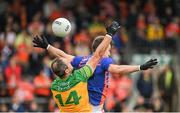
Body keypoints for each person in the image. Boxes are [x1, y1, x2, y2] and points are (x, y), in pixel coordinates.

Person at [33, 23, 158, 112]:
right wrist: (140, 67)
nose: (109, 52)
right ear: (103, 49)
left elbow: (64, 55)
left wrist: (48, 46)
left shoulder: (81, 61)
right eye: (108, 49)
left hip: (81, 105)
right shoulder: (103, 61)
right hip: (92, 108)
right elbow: (118, 69)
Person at [33, 21, 120, 112]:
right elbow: (97, 56)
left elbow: (63, 56)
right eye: (68, 63)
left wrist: (48, 47)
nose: (69, 62)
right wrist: (109, 35)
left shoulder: (54, 86)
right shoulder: (79, 76)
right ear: (67, 70)